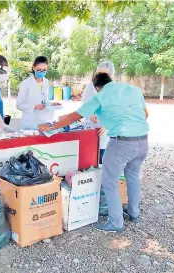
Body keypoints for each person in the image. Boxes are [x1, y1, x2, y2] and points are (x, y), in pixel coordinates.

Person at [38, 73, 149, 233]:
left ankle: (116, 223)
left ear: (97, 87)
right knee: (133, 177)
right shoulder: (133, 90)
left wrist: (51, 127)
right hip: (143, 141)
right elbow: (145, 114)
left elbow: (74, 116)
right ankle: (133, 213)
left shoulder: (101, 96)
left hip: (122, 143)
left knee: (109, 182)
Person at [82, 61, 115, 164]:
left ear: (110, 75)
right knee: (90, 157)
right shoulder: (89, 87)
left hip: (106, 131)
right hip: (91, 127)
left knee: (103, 158)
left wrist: (106, 126)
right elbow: (85, 104)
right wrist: (90, 114)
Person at [16, 56, 60, 130]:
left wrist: (52, 104)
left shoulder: (46, 82)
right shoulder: (26, 83)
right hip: (29, 123)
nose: (42, 72)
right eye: (39, 70)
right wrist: (34, 106)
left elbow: (44, 101)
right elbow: (19, 105)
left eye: (44, 70)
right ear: (34, 68)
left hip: (43, 121)